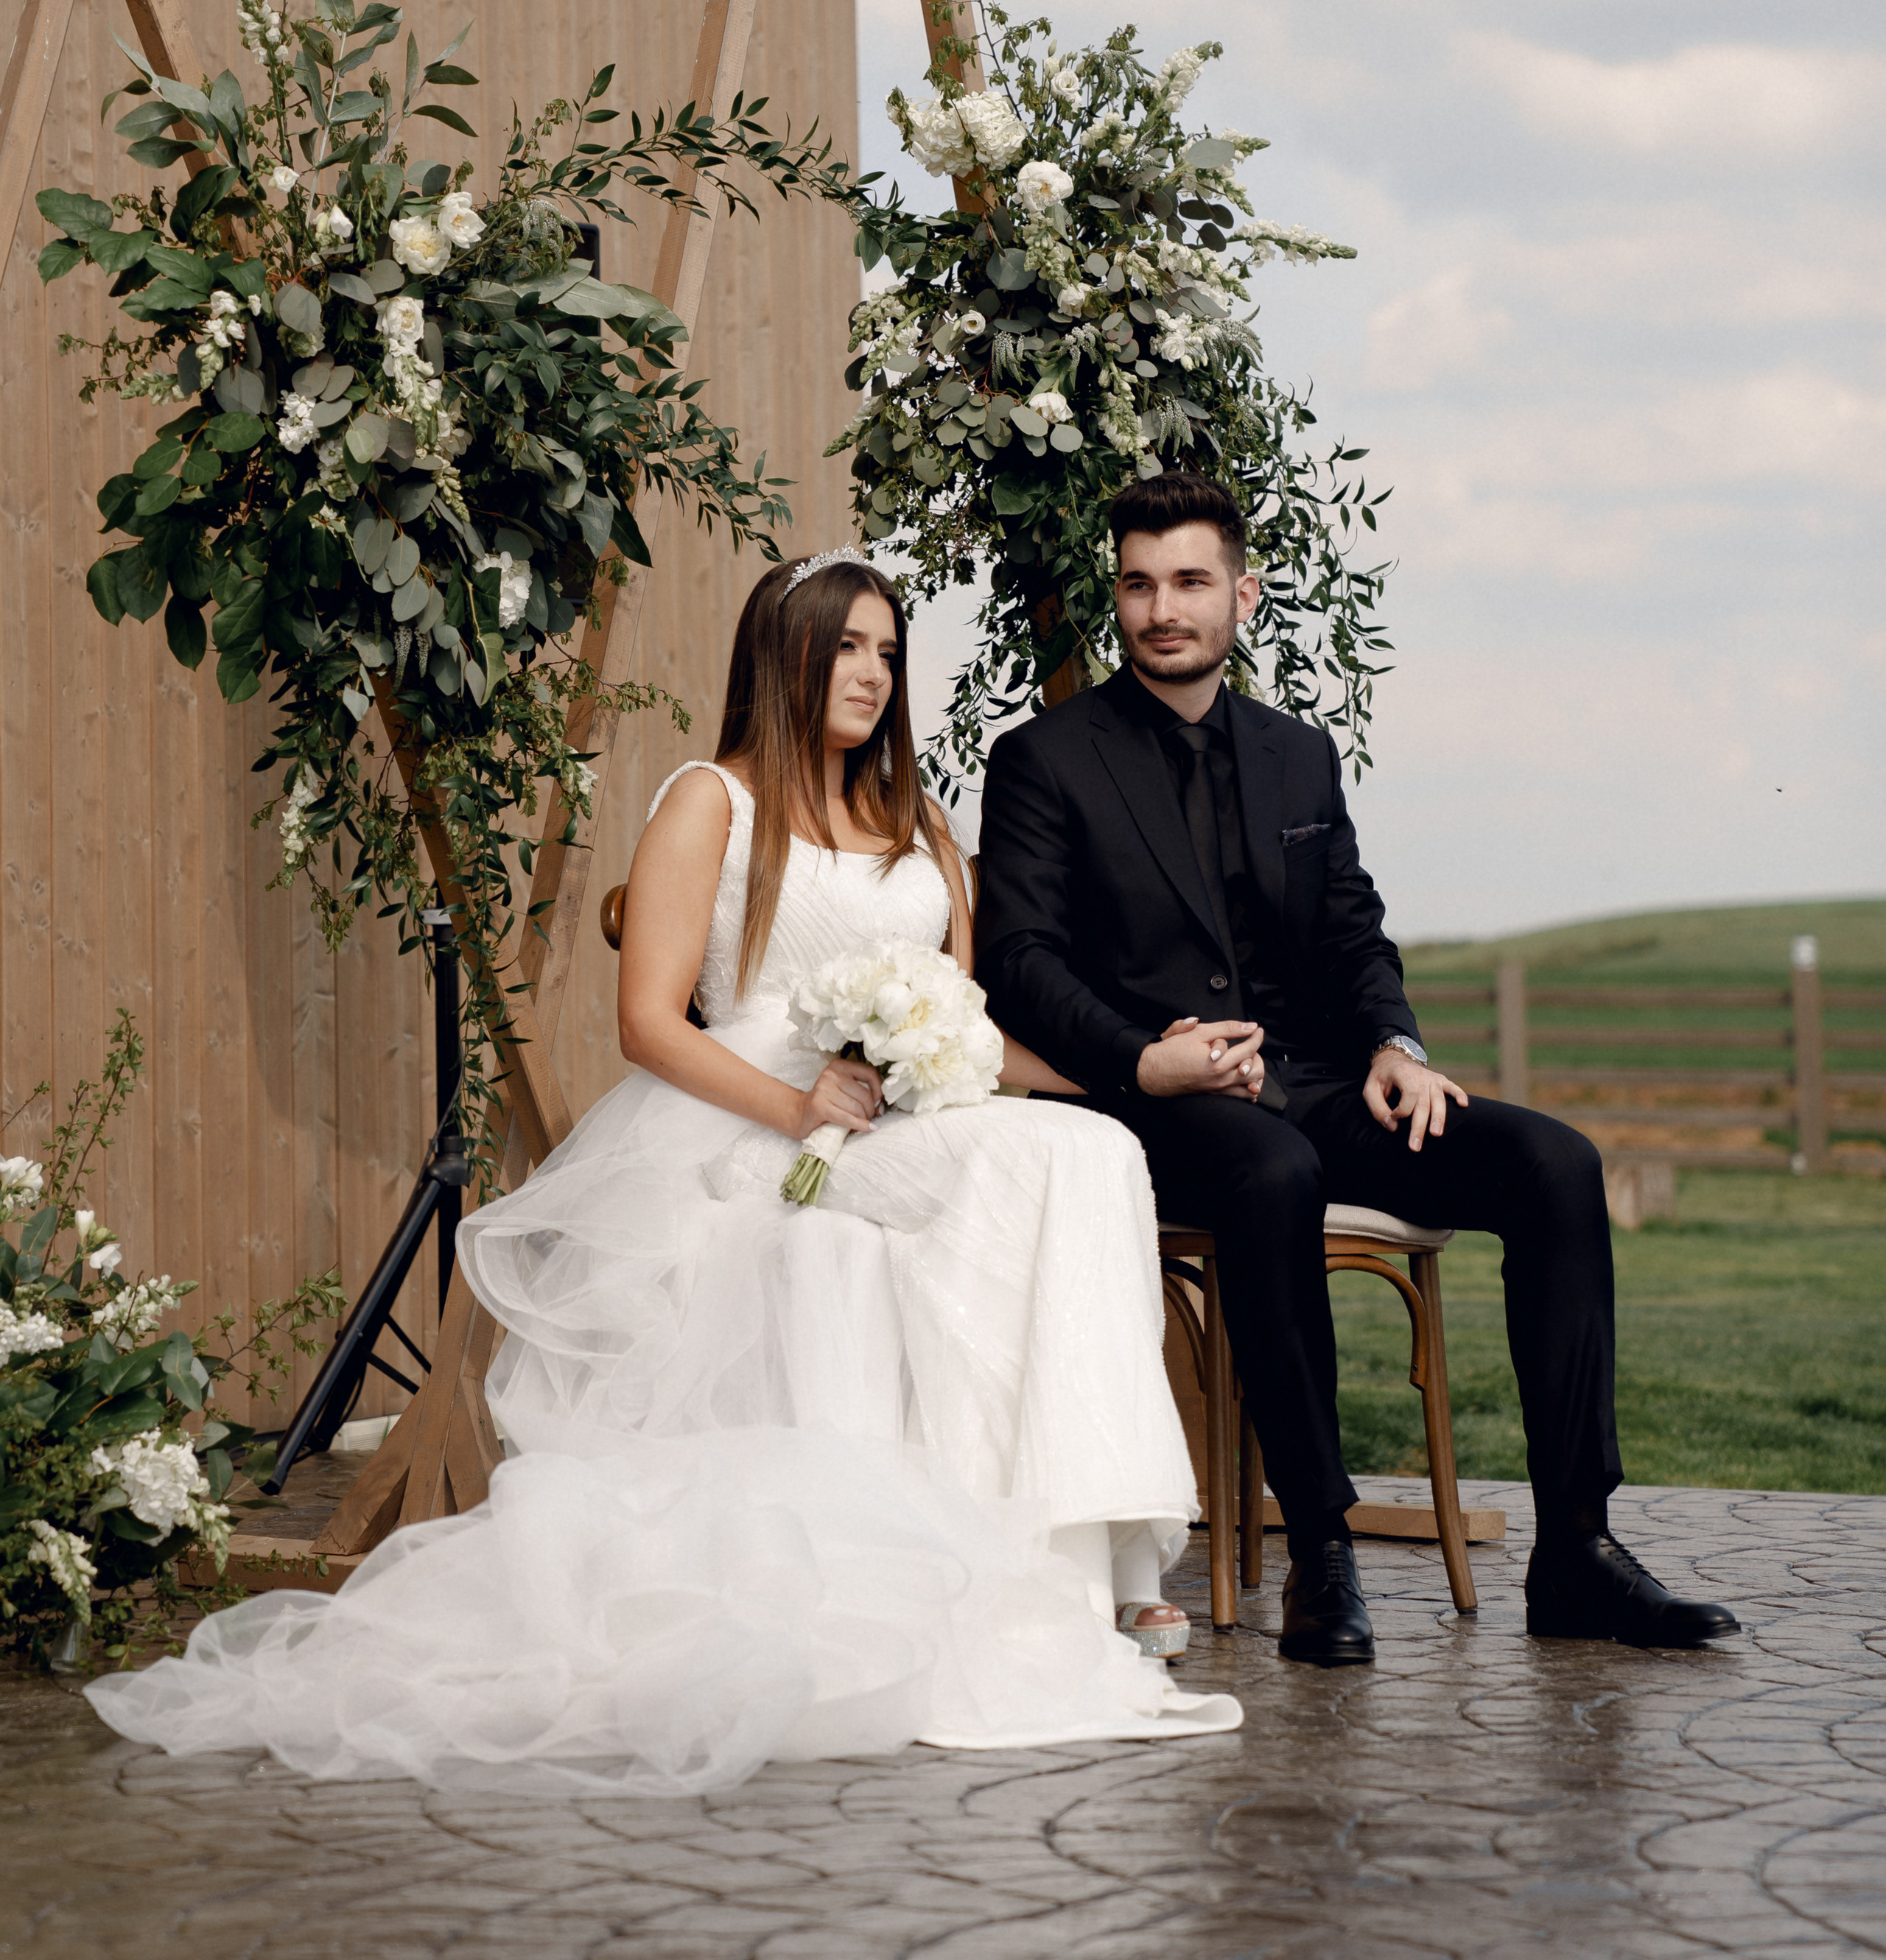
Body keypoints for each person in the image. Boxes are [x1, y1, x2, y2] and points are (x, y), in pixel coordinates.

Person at [88, 549, 1239, 1793]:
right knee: (1039, 1173)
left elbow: (968, 1021)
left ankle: (1085, 1565)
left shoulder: (922, 827)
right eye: (845, 646)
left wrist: (1124, 1074)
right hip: (762, 1127)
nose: (871, 673)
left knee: (1095, 1148)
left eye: (888, 652)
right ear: (781, 655)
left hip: (907, 1120)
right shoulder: (713, 801)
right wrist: (802, 1102)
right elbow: (651, 1024)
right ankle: (1072, 1577)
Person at [973, 471, 1739, 1668]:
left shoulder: (1298, 756)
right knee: (1272, 1172)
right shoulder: (1045, 760)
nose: (1160, 608)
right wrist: (1143, 1060)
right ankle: (1322, 1552)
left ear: (1243, 592)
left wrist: (1396, 1045)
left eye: (1187, 580)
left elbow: (1351, 932)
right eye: (1137, 584)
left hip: (1326, 1086)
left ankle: (1576, 1552)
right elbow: (1017, 962)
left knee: (1554, 1163)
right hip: (1155, 1106)